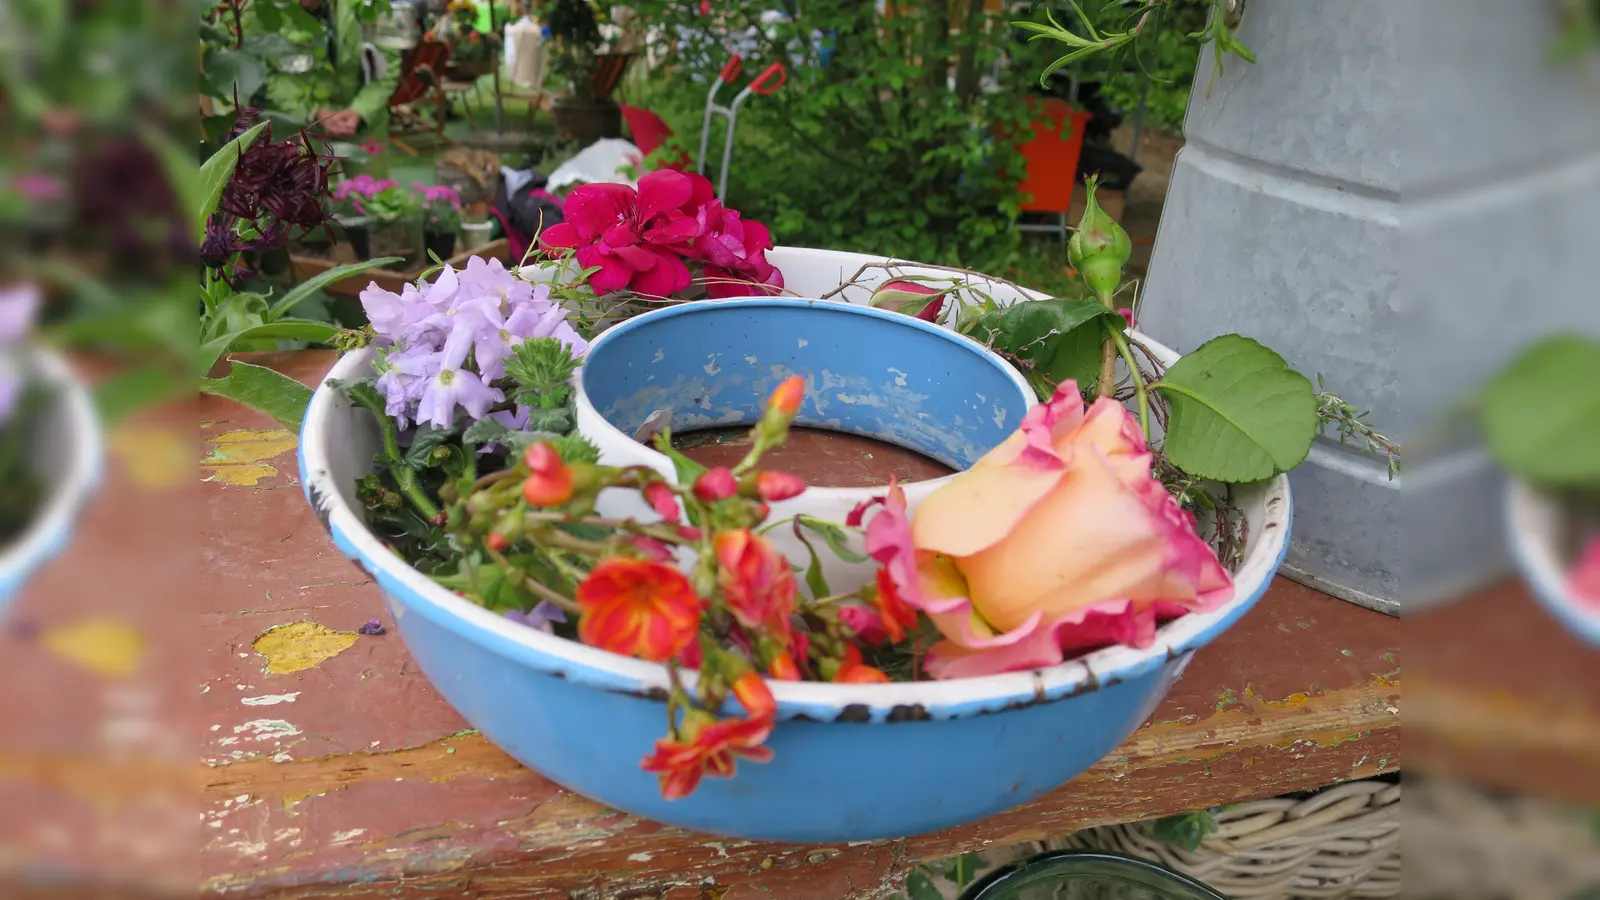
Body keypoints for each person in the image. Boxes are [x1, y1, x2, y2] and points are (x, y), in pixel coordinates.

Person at [252, 0, 401, 139]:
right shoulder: (261, 10)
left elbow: (388, 65)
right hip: (300, 123)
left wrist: (360, 109)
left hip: (366, 120)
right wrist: (314, 110)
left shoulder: (367, 4)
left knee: (366, 165)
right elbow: (264, 74)